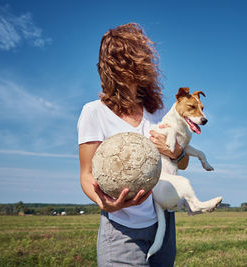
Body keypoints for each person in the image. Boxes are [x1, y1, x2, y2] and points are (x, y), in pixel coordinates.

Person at [78, 23, 188, 267]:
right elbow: (86, 175)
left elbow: (184, 162)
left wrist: (176, 152)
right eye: (132, 59)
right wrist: (103, 202)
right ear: (112, 66)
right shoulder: (93, 113)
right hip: (120, 229)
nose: (142, 65)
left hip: (163, 226)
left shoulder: (158, 111)